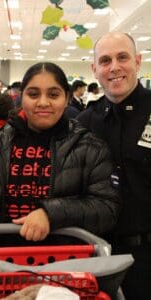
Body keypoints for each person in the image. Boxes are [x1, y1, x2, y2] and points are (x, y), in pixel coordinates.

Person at [0, 62, 119, 247]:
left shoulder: (90, 147)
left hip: (63, 263)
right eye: (33, 94)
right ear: (21, 97)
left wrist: (50, 213)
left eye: (53, 94)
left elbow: (107, 208)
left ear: (67, 99)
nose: (42, 102)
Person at [77, 32, 151, 300]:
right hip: (97, 255)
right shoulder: (84, 123)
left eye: (123, 57)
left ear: (138, 61)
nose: (114, 67)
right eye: (105, 60)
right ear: (94, 69)